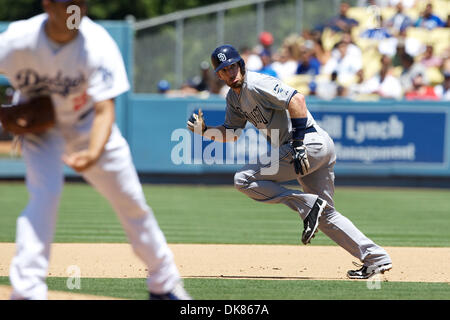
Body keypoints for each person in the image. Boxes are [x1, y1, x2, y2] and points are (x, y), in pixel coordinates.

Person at [0, 0, 191, 300]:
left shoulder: (98, 43)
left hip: (89, 126)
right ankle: (26, 292)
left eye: (82, 2)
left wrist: (91, 153)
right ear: (48, 5)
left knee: (131, 200)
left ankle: (164, 284)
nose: (77, 9)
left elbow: (104, 111)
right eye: (68, 3)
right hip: (42, 131)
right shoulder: (16, 41)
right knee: (44, 195)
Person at [187, 44, 393, 280]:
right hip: (310, 148)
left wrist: (297, 144)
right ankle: (375, 258)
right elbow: (232, 134)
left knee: (242, 179)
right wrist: (204, 131)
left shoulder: (256, 83)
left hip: (308, 143)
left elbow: (297, 100)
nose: (230, 72)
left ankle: (307, 204)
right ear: (219, 75)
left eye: (233, 65)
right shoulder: (234, 98)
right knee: (326, 217)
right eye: (224, 69)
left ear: (241, 65)